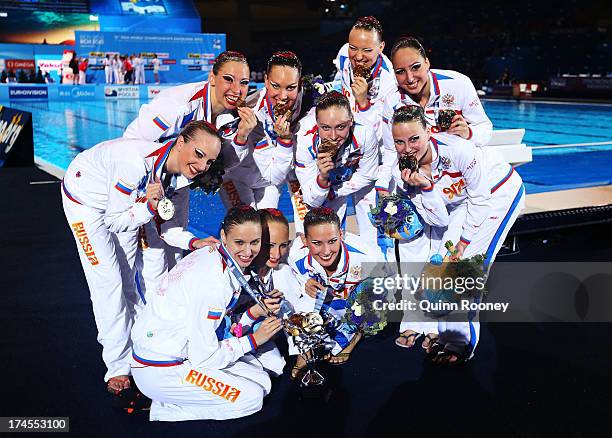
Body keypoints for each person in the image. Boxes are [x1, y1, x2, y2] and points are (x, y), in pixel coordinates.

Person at [61, 121, 222, 395]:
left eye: (210, 161)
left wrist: (196, 242)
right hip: (85, 204)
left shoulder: (180, 181)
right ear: (180, 142)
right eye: (198, 154)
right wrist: (147, 206)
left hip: (123, 207)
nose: (203, 166)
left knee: (127, 279)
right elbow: (114, 221)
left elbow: (170, 229)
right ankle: (117, 366)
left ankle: (141, 344)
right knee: (108, 283)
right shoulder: (134, 165)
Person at [390, 105, 524, 363]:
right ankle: (449, 334)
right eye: (399, 142)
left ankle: (463, 344)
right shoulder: (404, 173)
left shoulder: (458, 150)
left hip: (499, 193)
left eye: (414, 139)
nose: (408, 149)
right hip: (465, 204)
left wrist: (463, 243)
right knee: (440, 265)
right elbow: (437, 219)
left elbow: (481, 200)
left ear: (429, 132)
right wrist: (426, 188)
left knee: (469, 265)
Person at [131, 206, 283, 421]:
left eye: (255, 242)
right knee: (252, 398)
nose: (248, 252)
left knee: (263, 381)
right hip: (163, 369)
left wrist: (252, 314)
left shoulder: (212, 252)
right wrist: (254, 340)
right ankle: (162, 409)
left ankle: (177, 397)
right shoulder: (214, 283)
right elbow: (205, 357)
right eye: (239, 243)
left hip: (169, 351)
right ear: (223, 236)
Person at [377, 36, 494, 192]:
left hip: (463, 179)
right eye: (400, 72)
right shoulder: (392, 102)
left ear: (427, 63)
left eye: (415, 67)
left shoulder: (458, 84)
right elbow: (391, 151)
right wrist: (383, 187)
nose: (410, 78)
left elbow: (485, 128)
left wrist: (469, 132)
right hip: (419, 181)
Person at [288, 208, 383, 375]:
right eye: (317, 243)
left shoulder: (368, 255)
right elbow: (295, 282)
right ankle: (305, 350)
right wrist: (305, 283)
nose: (326, 251)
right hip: (327, 302)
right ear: (304, 239)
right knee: (300, 304)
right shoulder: (295, 255)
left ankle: (354, 337)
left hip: (357, 301)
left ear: (341, 234)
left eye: (332, 241)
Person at [332, 16, 398, 247]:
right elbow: (339, 80)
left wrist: (363, 103)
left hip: (374, 157)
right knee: (333, 217)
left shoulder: (390, 82)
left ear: (381, 48)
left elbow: (380, 133)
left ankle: (380, 276)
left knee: (372, 225)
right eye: (354, 47)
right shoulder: (343, 54)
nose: (358, 56)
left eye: (366, 50)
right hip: (344, 149)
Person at [221, 51, 306, 212]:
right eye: (276, 86)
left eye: (291, 87)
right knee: (246, 229)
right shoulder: (250, 112)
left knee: (271, 229)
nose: (283, 96)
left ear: (300, 84)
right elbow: (227, 162)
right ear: (266, 80)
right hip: (237, 177)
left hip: (270, 181)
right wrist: (242, 136)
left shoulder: (310, 102)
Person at [294, 91, 378, 229]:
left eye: (340, 127)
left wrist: (336, 191)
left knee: (336, 233)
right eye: (325, 127)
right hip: (303, 180)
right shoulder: (303, 138)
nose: (333, 136)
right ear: (317, 123)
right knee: (307, 235)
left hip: (343, 176)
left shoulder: (365, 132)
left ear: (351, 121)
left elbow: (369, 174)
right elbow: (312, 200)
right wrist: (322, 178)